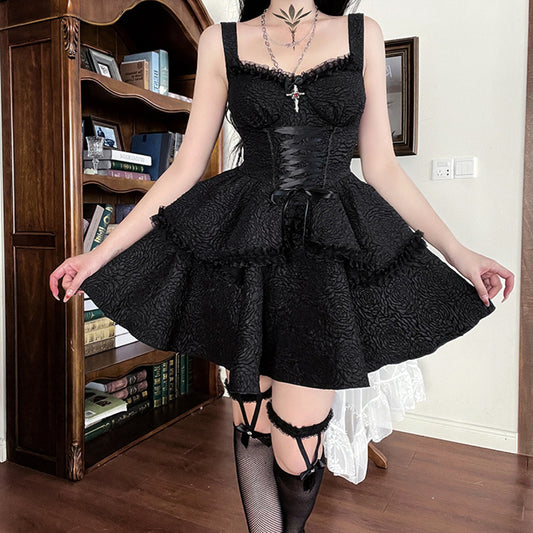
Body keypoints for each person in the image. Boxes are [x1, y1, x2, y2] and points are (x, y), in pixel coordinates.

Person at [49, 1, 514, 531]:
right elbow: (184, 168)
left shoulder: (362, 33)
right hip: (249, 250)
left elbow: (382, 167)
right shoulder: (219, 41)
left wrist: (460, 254)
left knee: (297, 447)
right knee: (252, 424)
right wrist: (98, 253)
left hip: (326, 256)